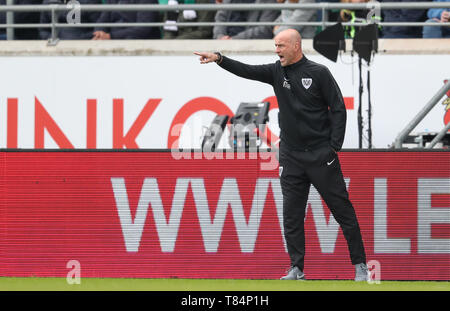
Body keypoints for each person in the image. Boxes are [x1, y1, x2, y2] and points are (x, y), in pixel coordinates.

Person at [194, 28, 368, 281]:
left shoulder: (318, 73)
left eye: (281, 46)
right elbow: (248, 70)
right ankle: (297, 268)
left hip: (320, 155)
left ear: (296, 46)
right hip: (291, 156)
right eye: (275, 46)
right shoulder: (276, 71)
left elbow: (338, 108)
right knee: (292, 215)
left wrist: (334, 146)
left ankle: (361, 265)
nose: (277, 51)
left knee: (342, 211)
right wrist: (220, 59)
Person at [93, 0, 161, 39]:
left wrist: (110, 36)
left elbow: (142, 29)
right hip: (112, 40)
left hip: (137, 43)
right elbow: (102, 20)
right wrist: (99, 33)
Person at [213, 0, 280, 39]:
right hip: (222, 43)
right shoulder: (228, 1)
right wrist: (220, 36)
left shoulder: (268, 1)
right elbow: (220, 19)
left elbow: (265, 29)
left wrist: (234, 39)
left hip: (249, 45)